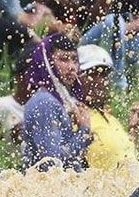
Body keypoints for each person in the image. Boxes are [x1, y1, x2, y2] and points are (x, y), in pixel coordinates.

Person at [21, 39, 93, 170]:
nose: (72, 67)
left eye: (75, 60)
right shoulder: (45, 103)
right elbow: (52, 163)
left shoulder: (60, 102)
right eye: (64, 60)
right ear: (46, 62)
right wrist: (84, 131)